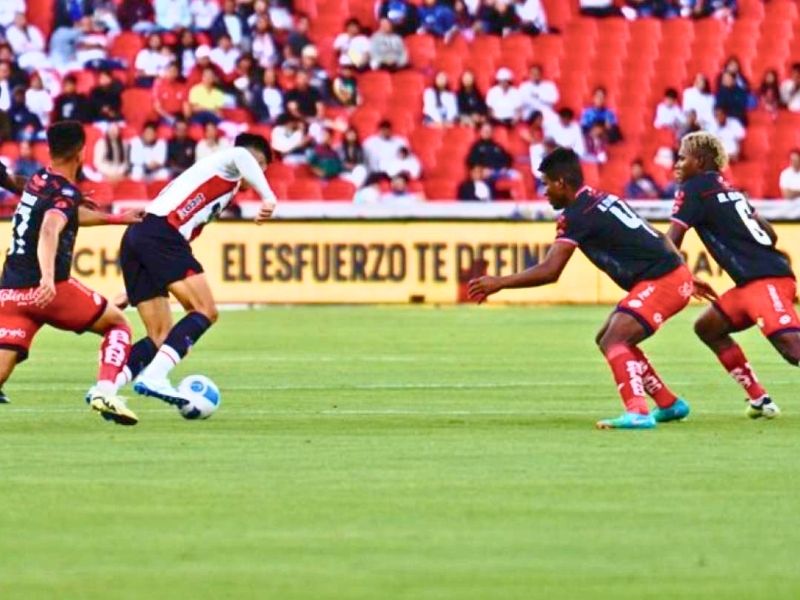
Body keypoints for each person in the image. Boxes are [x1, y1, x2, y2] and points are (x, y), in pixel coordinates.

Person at [468, 147, 705, 429]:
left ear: (561, 183)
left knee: (616, 340)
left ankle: (638, 412)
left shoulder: (576, 215)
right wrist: (683, 272)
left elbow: (550, 271)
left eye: (546, 184)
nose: (544, 192)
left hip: (663, 280)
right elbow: (655, 235)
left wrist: (499, 283)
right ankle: (668, 403)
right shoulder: (601, 198)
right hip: (670, 276)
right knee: (606, 337)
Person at [117, 134, 277, 406]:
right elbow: (241, 155)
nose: (259, 172)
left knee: (161, 336)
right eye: (259, 164)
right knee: (205, 310)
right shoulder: (226, 163)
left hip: (141, 236)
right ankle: (155, 376)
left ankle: (106, 388)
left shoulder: (223, 188)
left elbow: (183, 234)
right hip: (160, 232)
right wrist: (269, 197)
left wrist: (131, 289)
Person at [0, 121, 142, 422]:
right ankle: (105, 390)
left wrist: (116, 218)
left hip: (10, 292)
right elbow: (51, 228)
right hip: (49, 291)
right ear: (81, 151)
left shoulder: (40, 179)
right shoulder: (63, 191)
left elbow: (65, 213)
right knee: (118, 324)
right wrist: (48, 279)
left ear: (49, 149)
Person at [667, 132, 800, 420]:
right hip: (754, 282)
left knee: (793, 350)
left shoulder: (693, 189)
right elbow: (771, 234)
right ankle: (760, 400)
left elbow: (671, 241)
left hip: (765, 281)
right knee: (708, 327)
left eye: (682, 157)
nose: (676, 164)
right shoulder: (727, 187)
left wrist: (674, 276)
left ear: (699, 161)